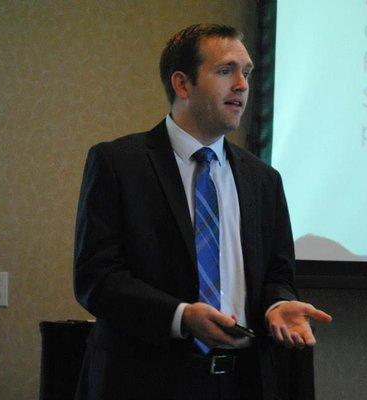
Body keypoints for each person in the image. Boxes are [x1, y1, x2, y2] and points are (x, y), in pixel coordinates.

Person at [73, 23, 332, 400]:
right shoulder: (118, 163)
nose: (242, 85)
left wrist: (278, 304)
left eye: (246, 72)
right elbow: (97, 279)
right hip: (146, 382)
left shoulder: (264, 179)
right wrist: (182, 317)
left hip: (243, 382)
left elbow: (277, 274)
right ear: (182, 84)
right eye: (226, 71)